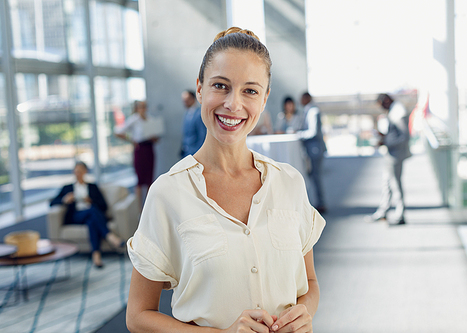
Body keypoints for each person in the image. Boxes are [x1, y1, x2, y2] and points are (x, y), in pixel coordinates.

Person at [126, 27, 325, 332]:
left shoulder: (289, 183)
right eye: (221, 85)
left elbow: (309, 283)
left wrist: (304, 312)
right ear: (200, 89)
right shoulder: (168, 193)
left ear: (265, 97)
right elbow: (138, 316)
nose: (233, 104)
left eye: (250, 90)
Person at [50, 161, 124, 268]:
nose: (78, 174)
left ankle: (96, 255)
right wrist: (64, 200)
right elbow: (52, 202)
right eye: (76, 172)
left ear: (85, 172)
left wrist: (90, 200)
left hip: (91, 216)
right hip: (76, 216)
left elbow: (104, 206)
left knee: (92, 220)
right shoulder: (67, 188)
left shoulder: (92, 187)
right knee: (92, 210)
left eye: (80, 172)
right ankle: (110, 236)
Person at [369, 93, 411, 225]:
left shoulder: (398, 111)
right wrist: (384, 137)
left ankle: (400, 215)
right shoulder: (394, 110)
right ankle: (383, 211)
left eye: (381, 105)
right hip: (391, 153)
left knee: (395, 184)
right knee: (386, 183)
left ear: (386, 101)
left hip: (396, 154)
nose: (381, 108)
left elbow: (404, 136)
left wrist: (385, 141)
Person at [115, 100, 160, 207]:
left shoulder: (150, 119)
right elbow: (118, 132)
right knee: (140, 180)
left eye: (144, 107)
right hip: (140, 149)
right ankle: (139, 209)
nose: (143, 109)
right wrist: (131, 140)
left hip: (149, 148)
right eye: (141, 107)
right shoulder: (133, 119)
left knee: (150, 179)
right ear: (137, 108)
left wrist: (154, 137)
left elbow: (157, 139)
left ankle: (149, 207)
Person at [297, 92, 327, 214]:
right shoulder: (308, 110)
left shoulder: (313, 111)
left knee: (316, 177)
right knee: (313, 177)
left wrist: (299, 135)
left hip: (315, 149)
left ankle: (321, 203)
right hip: (311, 149)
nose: (300, 101)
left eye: (302, 98)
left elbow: (313, 132)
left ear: (306, 98)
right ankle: (317, 202)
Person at [180, 90, 207, 158]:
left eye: (187, 100)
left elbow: (202, 134)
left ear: (193, 99)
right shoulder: (187, 113)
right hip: (186, 151)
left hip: (195, 151)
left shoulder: (199, 114)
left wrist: (198, 152)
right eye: (183, 100)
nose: (185, 103)